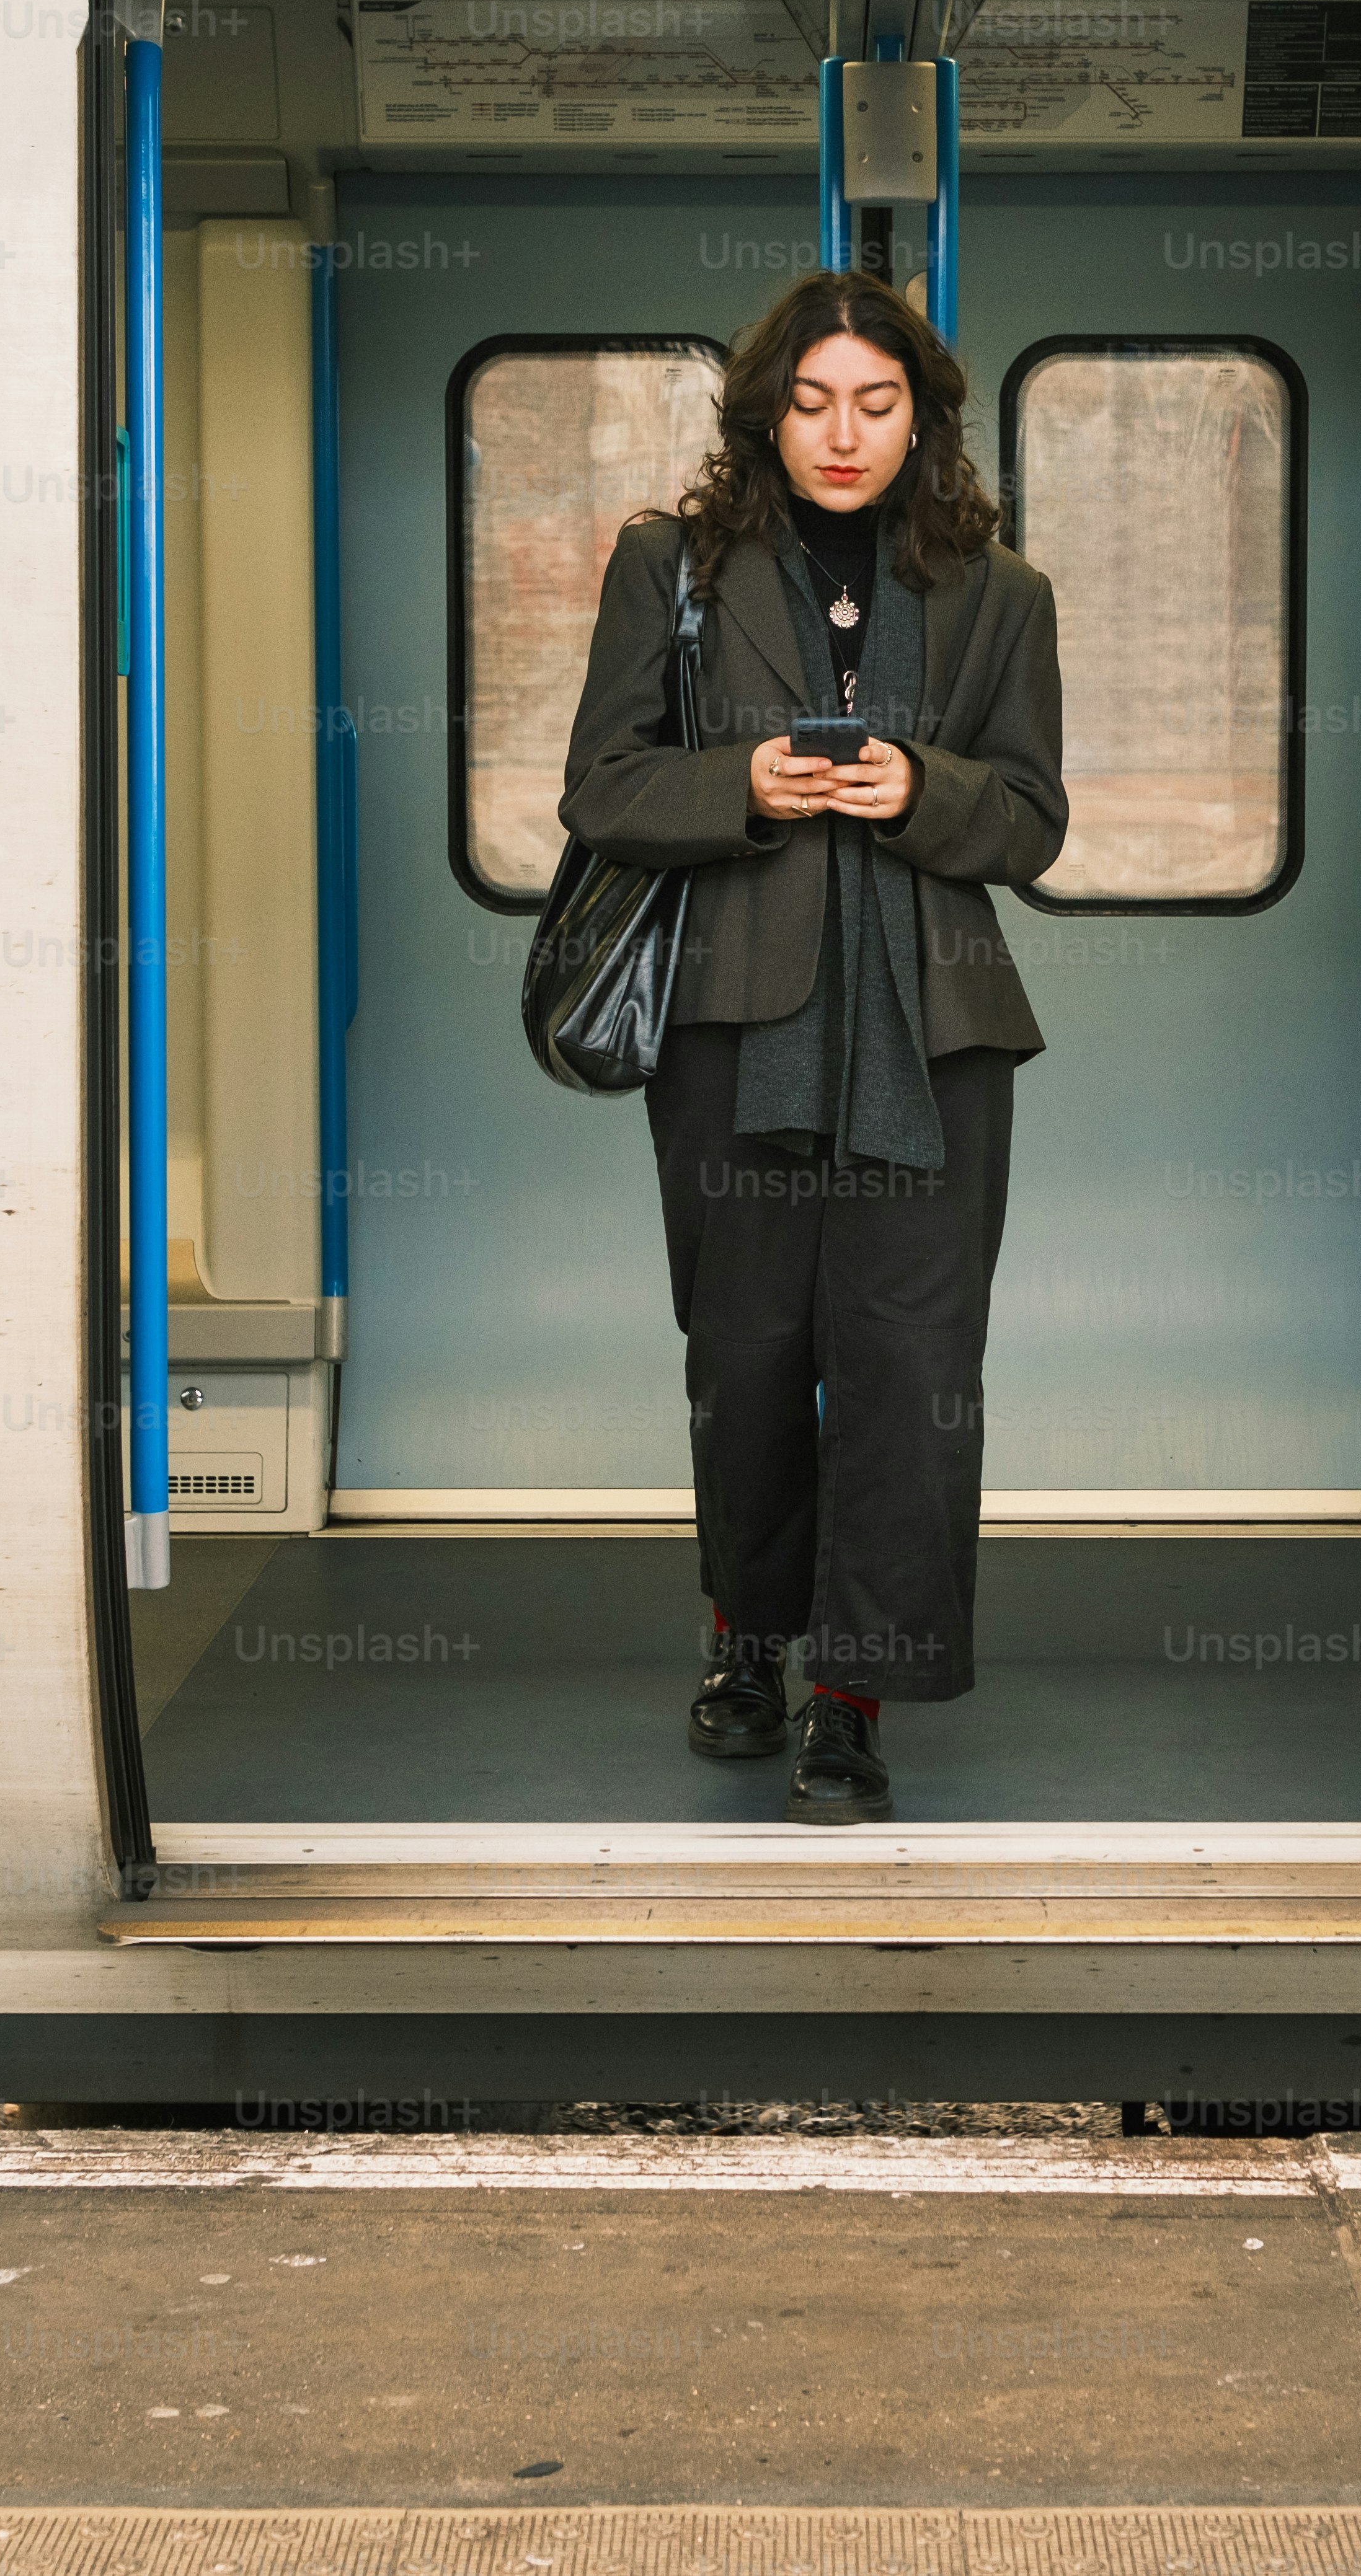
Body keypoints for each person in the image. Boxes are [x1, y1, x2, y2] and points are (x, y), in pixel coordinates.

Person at [554, 272, 1068, 1825]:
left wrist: (918, 788)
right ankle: (745, 1637)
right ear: (765, 412)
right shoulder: (672, 566)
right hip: (733, 1027)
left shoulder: (1004, 594)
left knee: (911, 1373)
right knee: (751, 1356)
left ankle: (855, 1694)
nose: (843, 435)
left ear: (925, 417)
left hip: (937, 1036)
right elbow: (602, 790)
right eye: (813, 401)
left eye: (878, 401)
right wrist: (747, 786)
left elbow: (1035, 823)